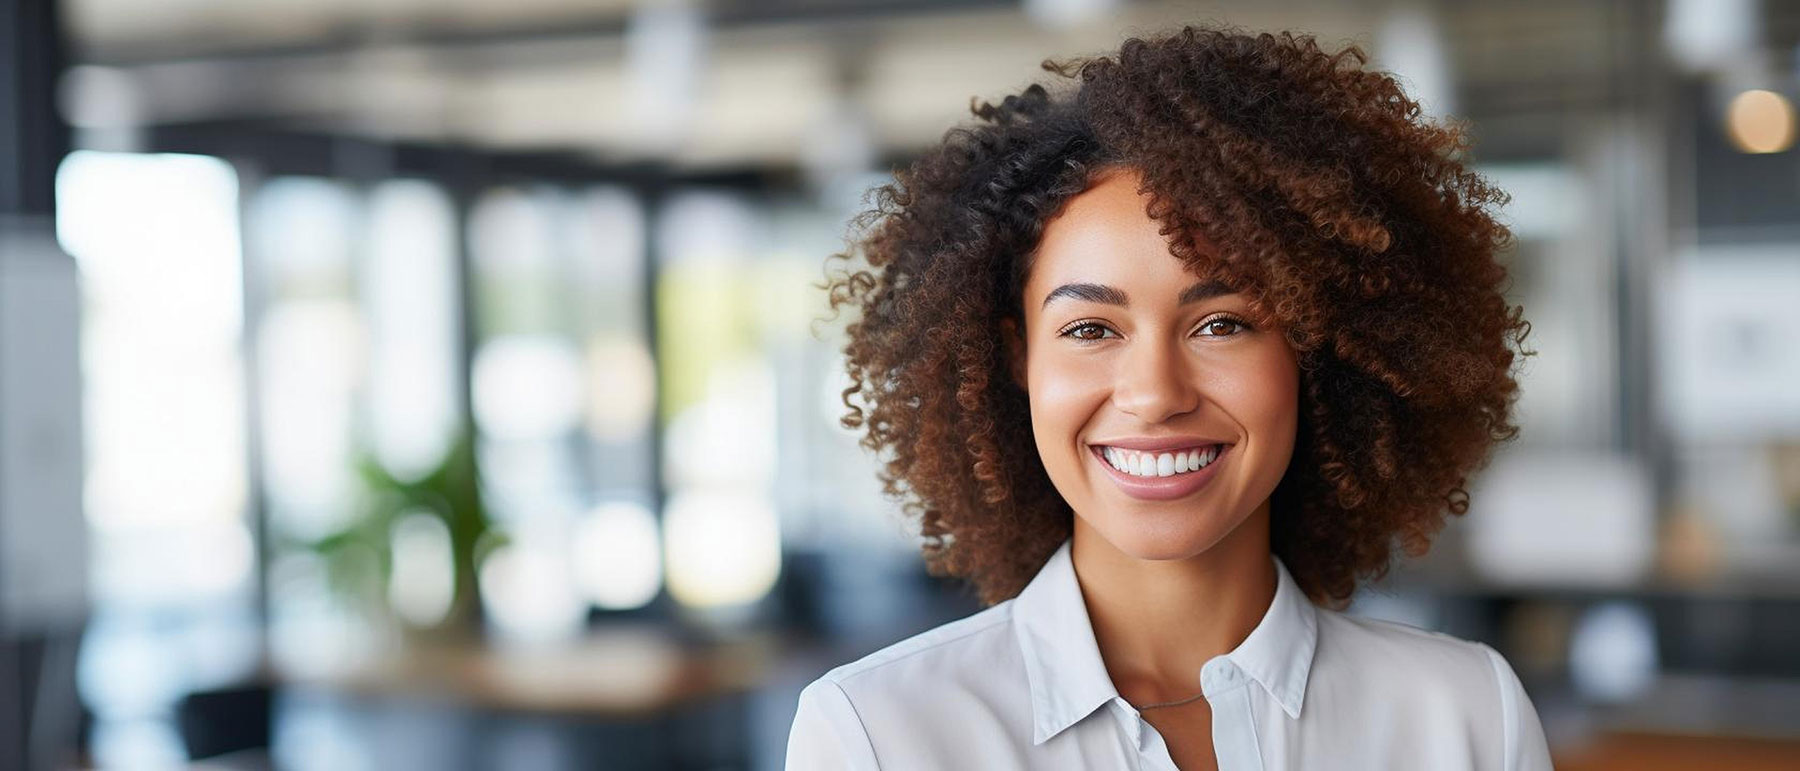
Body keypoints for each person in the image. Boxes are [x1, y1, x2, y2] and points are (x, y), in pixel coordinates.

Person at [790, 23, 1550, 771]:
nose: (1154, 394)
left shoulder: (1467, 716)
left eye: (1221, 323)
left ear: (1316, 349)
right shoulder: (877, 736)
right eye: (1090, 328)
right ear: (1017, 357)